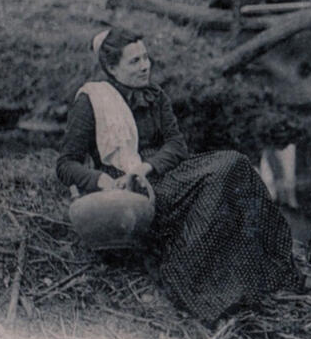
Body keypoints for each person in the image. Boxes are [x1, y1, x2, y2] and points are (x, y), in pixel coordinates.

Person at [56, 27, 298, 323]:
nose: (145, 66)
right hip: (126, 189)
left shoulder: (154, 95)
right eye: (134, 61)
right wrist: (101, 181)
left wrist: (147, 166)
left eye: (146, 57)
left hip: (157, 173)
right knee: (222, 174)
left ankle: (249, 274)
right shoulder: (92, 101)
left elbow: (176, 144)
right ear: (111, 67)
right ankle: (190, 280)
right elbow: (66, 164)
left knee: (234, 165)